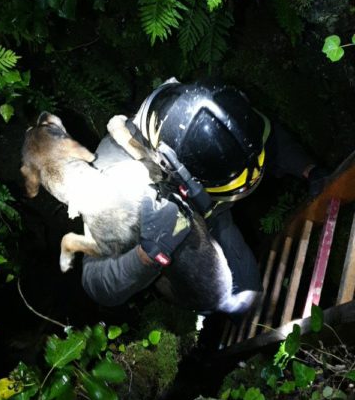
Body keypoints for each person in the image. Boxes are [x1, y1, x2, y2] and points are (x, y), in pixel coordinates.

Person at [81, 79, 328, 316]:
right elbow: (95, 283)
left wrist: (308, 169)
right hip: (171, 245)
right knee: (211, 295)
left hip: (210, 214)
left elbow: (261, 139)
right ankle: (203, 313)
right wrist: (148, 254)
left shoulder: (205, 108)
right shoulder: (114, 184)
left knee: (248, 287)